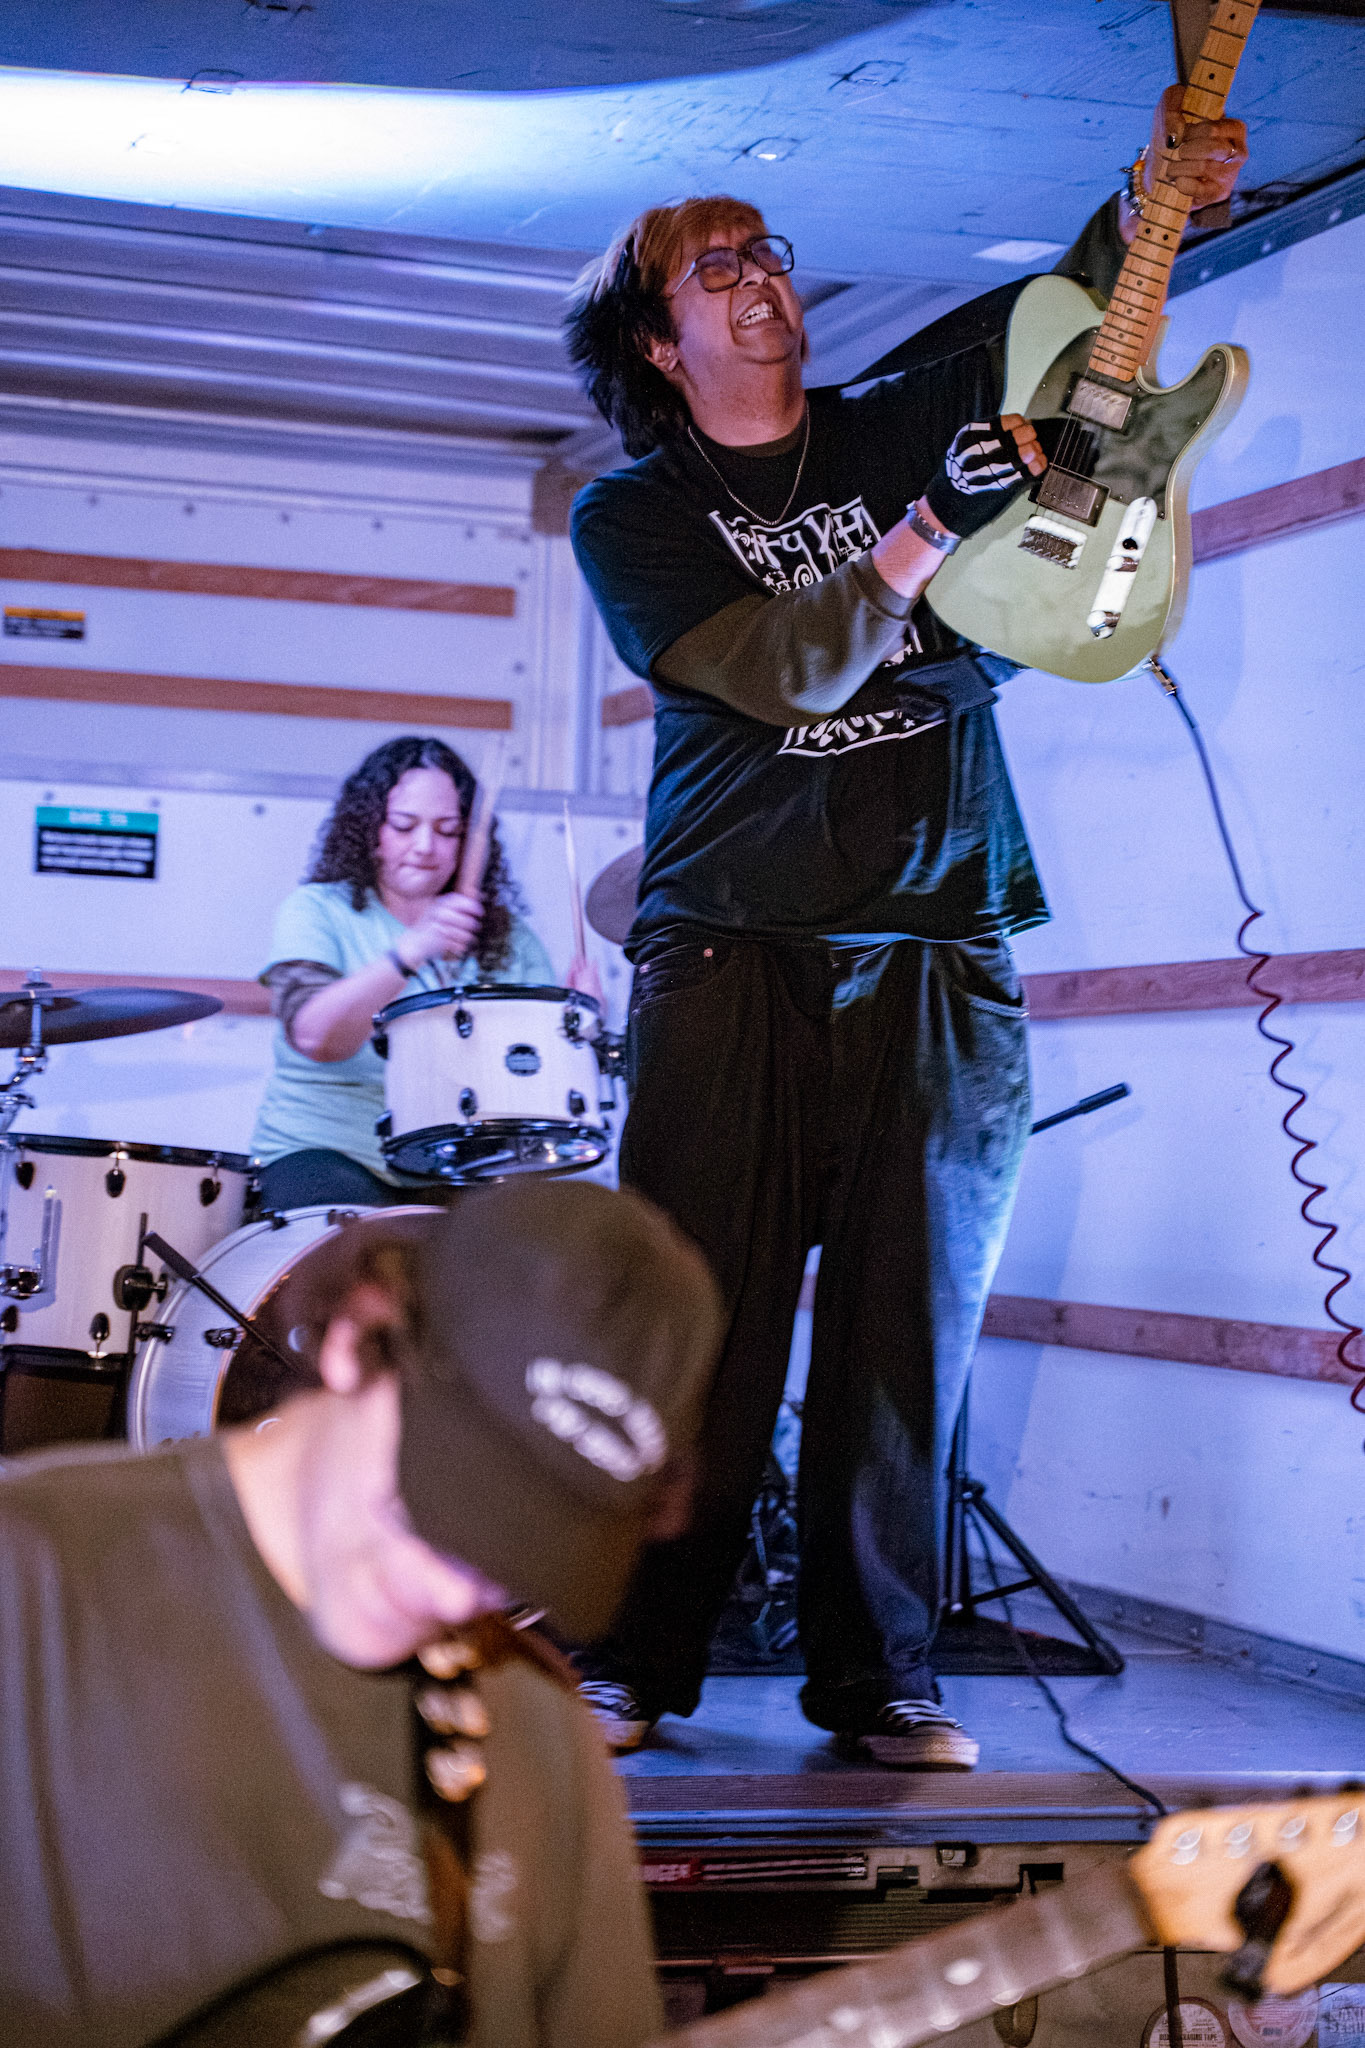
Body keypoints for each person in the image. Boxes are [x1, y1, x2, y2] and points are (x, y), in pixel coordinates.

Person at [564, 89, 1247, 1767]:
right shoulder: (632, 515)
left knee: (908, 1328)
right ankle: (639, 1657)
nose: (760, 279)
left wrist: (1152, 206)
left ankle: (881, 1676)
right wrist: (927, 528)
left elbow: (1067, 330)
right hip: (731, 941)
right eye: (715, 266)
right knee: (700, 1320)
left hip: (942, 934)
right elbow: (790, 669)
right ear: (656, 341)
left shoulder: (895, 419)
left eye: (768, 253)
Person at [0, 1178, 723, 2048]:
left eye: (517, 1558)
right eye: (438, 1507)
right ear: (355, 1339)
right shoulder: (33, 1579)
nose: (455, 1598)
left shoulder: (538, 1728)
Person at [251, 734, 601, 1211]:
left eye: (447, 830)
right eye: (403, 825)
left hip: (464, 1158)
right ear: (370, 828)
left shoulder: (509, 937)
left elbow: (532, 1079)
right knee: (361, 1249)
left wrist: (579, 1029)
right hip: (328, 1148)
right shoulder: (317, 910)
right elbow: (315, 1037)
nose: (425, 846)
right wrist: (410, 951)